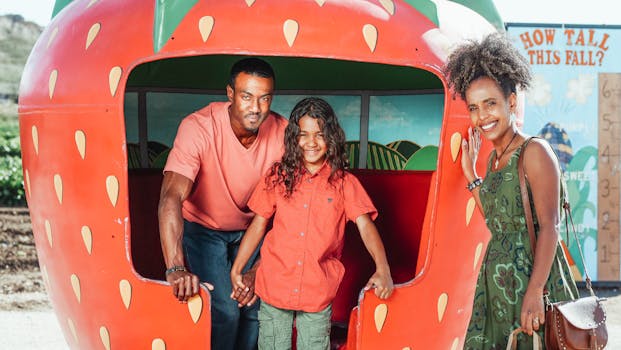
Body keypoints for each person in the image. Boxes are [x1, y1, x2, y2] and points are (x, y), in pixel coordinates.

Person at [445, 33, 578, 349]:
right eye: (474, 108)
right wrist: (472, 176)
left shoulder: (535, 151)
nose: (482, 117)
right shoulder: (494, 159)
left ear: (512, 101)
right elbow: (496, 219)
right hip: (497, 285)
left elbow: (550, 226)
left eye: (490, 104)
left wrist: (534, 292)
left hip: (533, 281)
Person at [230, 97, 394, 350]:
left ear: (331, 137)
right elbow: (258, 224)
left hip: (318, 289)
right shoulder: (277, 176)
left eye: (319, 134)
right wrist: (238, 268)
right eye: (304, 134)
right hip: (275, 285)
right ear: (294, 138)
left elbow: (366, 227)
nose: (311, 142)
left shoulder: (344, 183)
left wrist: (383, 269)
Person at [158, 57, 288, 350]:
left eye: (264, 98)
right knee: (226, 311)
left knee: (256, 306)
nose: (256, 108)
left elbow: (292, 212)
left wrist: (259, 270)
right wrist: (175, 268)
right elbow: (171, 197)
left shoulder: (282, 132)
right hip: (204, 229)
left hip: (255, 229)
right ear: (230, 94)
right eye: (246, 97)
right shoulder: (198, 127)